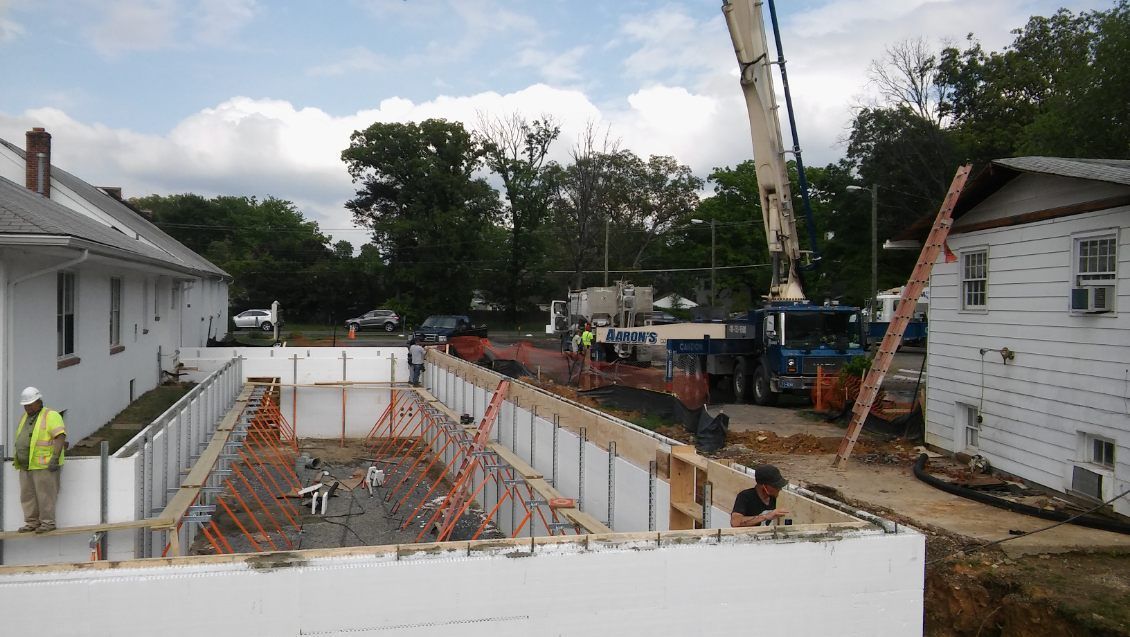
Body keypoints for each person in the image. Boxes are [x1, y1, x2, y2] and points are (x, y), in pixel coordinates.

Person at [13, 387, 66, 533]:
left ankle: (48, 523)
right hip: (26, 465)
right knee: (27, 496)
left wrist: (54, 458)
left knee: (45, 495)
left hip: (45, 465)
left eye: (30, 404)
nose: (27, 407)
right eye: (25, 405)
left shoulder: (51, 415)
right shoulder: (25, 417)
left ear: (38, 402)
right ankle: (32, 522)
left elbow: (60, 436)